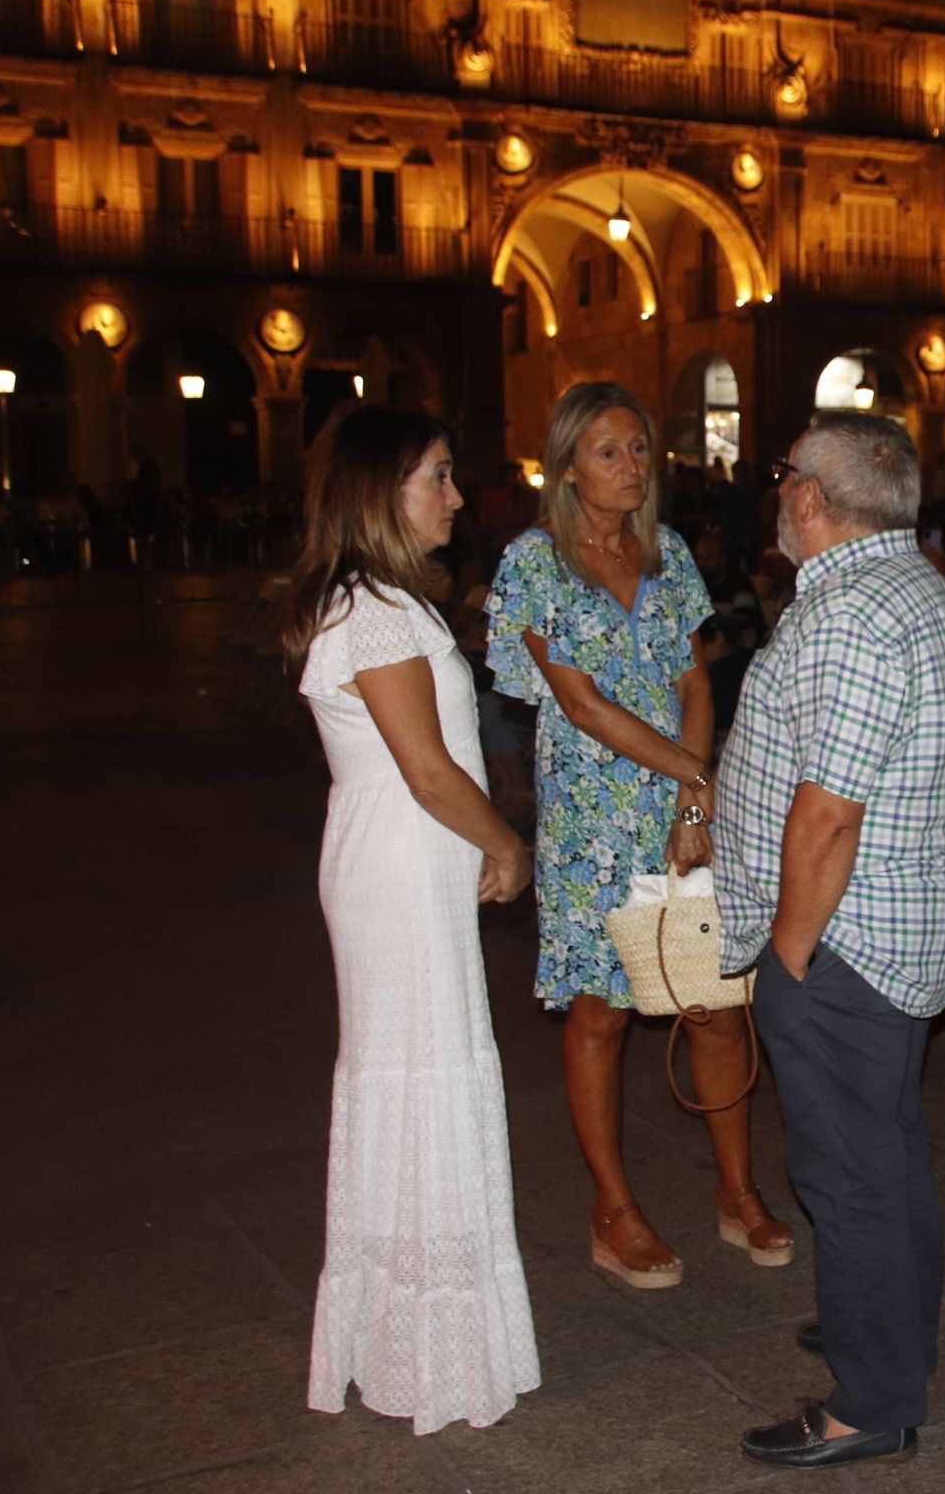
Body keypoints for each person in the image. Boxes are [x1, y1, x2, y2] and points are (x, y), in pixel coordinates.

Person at [713, 412, 945, 1470]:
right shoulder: (912, 587)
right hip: (900, 923)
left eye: (786, 479)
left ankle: (872, 1398)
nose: (779, 497)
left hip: (847, 938)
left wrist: (785, 956)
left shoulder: (853, 612)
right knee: (888, 1140)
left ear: (815, 498)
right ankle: (893, 1321)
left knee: (850, 1170)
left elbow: (829, 812)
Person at [485, 382, 793, 1292]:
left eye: (638, 449)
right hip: (591, 818)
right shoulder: (533, 562)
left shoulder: (665, 556)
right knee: (602, 1012)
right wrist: (693, 779)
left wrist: (694, 802)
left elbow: (696, 680)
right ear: (567, 463)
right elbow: (580, 703)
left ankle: (737, 1192)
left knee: (715, 1005)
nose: (629, 467)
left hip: (676, 810)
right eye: (608, 450)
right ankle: (612, 1210)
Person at [277, 406, 540, 1432]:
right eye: (439, 474)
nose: (458, 495)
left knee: (429, 1073)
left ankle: (426, 1337)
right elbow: (427, 769)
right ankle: (418, 1346)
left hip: (406, 855)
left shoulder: (389, 601)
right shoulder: (371, 612)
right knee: (420, 1078)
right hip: (401, 855)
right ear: (381, 489)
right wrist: (506, 843)